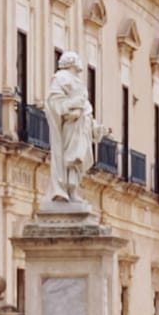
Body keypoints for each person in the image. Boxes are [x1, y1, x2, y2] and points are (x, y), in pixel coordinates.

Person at [44, 51, 94, 204]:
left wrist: (95, 127)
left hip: (82, 124)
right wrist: (73, 105)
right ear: (71, 61)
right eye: (77, 59)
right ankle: (65, 189)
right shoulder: (60, 78)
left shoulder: (77, 81)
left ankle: (72, 190)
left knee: (76, 159)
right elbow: (54, 102)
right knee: (70, 157)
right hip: (70, 125)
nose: (80, 61)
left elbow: (84, 104)